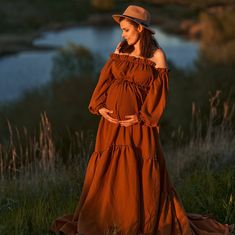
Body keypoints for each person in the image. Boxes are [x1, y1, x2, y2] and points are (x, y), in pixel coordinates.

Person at [50, 5, 234, 235]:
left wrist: (140, 116)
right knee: (107, 173)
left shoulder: (157, 56)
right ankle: (108, 219)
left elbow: (159, 96)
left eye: (127, 29)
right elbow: (105, 80)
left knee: (139, 174)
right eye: (122, 30)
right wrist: (101, 108)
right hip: (110, 126)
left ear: (140, 28)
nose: (123, 34)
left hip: (138, 127)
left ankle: (137, 220)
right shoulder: (121, 50)